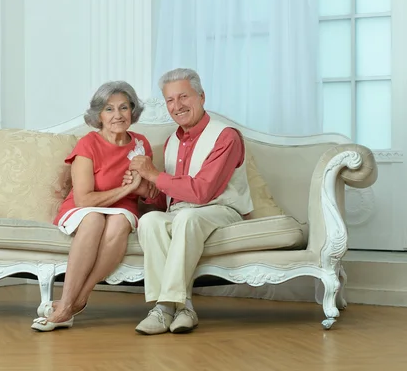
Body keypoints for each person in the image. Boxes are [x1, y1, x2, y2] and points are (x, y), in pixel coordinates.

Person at [122, 68, 254, 335]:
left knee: (186, 217)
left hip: (223, 210)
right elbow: (170, 202)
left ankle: (163, 307)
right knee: (150, 221)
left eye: (184, 97)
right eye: (170, 100)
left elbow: (203, 192)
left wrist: (155, 174)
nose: (177, 106)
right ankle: (182, 308)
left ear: (202, 97)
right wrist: (146, 190)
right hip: (184, 213)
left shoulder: (226, 136)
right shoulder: (172, 141)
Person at [31, 81, 158, 332]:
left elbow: (152, 194)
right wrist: (128, 189)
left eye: (124, 107)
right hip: (84, 208)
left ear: (133, 111)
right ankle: (67, 302)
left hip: (123, 209)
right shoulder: (88, 144)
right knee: (94, 219)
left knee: (119, 222)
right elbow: (84, 200)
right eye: (109, 109)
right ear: (98, 114)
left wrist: (142, 190)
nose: (118, 115)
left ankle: (76, 301)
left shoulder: (141, 144)